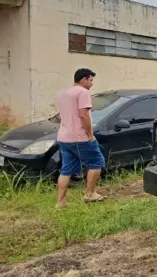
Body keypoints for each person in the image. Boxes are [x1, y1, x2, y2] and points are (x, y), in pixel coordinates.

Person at [55, 68, 105, 208]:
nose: (92, 83)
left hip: (64, 137)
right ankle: (90, 194)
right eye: (91, 80)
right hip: (79, 137)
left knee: (66, 170)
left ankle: (60, 202)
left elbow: (61, 115)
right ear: (84, 79)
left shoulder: (63, 93)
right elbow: (83, 115)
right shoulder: (83, 92)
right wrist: (90, 135)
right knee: (96, 162)